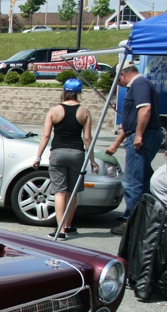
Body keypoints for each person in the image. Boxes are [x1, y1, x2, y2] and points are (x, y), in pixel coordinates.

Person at [32, 78, 98, 239]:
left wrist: (38, 156)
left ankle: (60, 231)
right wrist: (92, 160)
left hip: (58, 152)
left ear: (64, 91)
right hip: (76, 153)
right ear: (79, 93)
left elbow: (46, 135)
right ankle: (68, 226)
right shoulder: (84, 112)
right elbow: (87, 138)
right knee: (72, 191)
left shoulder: (54, 111)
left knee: (60, 192)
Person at [106, 64, 163, 235]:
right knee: (144, 179)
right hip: (142, 135)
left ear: (123, 74)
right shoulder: (141, 84)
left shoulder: (139, 84)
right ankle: (146, 218)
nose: (118, 83)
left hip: (143, 137)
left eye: (117, 79)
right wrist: (116, 143)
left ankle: (131, 221)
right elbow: (130, 121)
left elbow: (145, 109)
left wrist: (138, 135)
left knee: (132, 181)